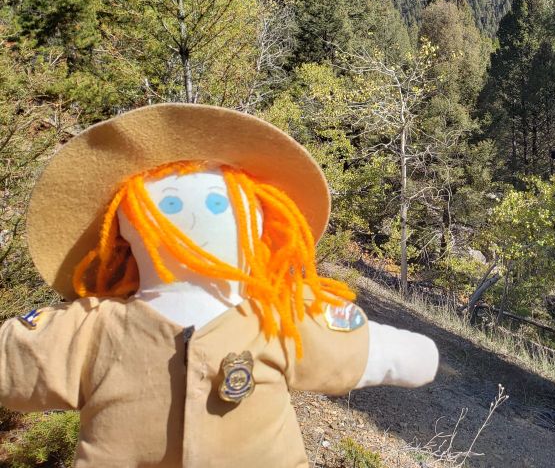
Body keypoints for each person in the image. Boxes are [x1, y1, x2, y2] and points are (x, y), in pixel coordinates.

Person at [0, 103, 438, 467]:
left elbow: (360, 348)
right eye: (167, 205)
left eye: (216, 202)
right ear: (126, 227)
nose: (193, 218)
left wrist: (405, 353)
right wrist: (411, 354)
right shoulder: (95, 327)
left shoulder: (276, 315)